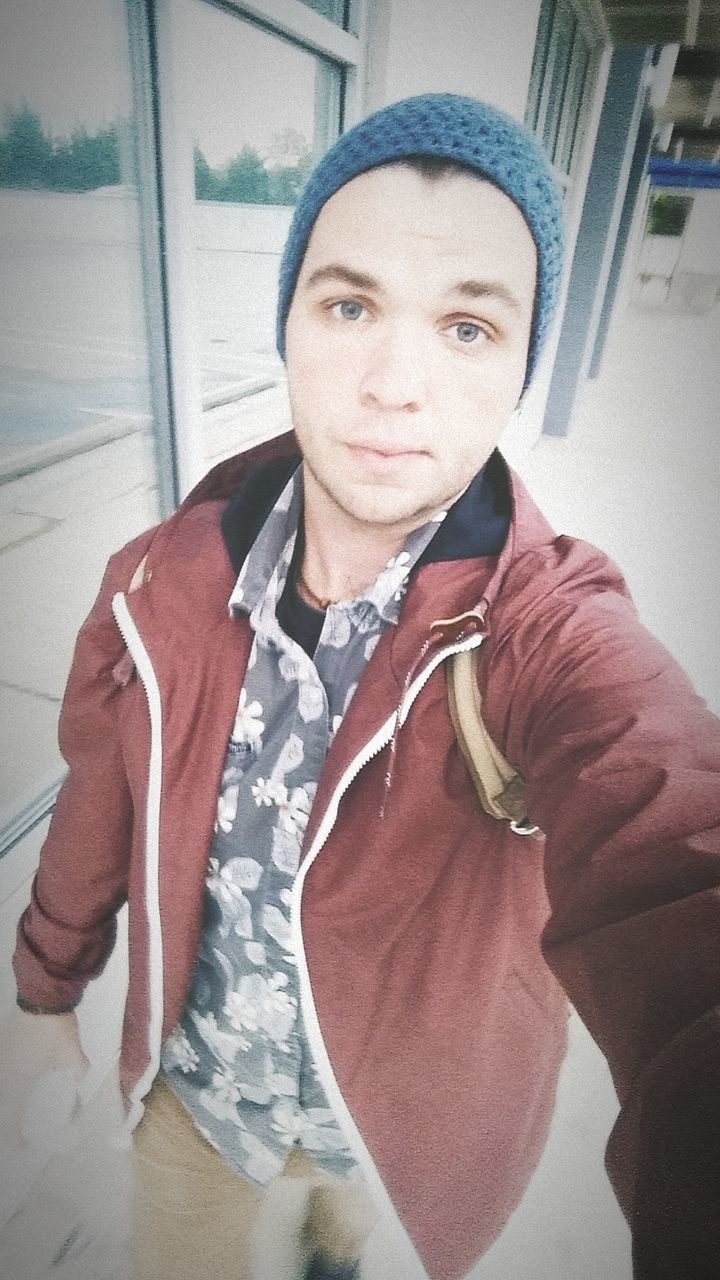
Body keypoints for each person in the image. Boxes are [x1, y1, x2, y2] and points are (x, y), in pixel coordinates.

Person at [5, 93, 720, 1280]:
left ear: (520, 369)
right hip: (199, 1098)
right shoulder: (153, 585)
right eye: (349, 305)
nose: (396, 381)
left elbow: (667, 822)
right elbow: (98, 798)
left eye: (467, 328)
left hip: (391, 1127)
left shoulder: (549, 629)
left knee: (344, 1246)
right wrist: (41, 997)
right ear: (286, 322)